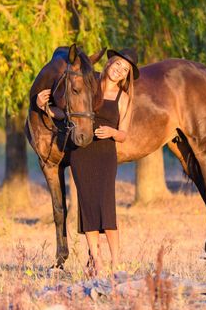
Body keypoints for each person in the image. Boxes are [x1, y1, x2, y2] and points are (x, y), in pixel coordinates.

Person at [36, 48, 139, 275]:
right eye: (117, 65)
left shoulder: (125, 98)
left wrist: (112, 131)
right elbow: (70, 110)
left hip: (105, 153)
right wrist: (45, 106)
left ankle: (116, 263)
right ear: (110, 62)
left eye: (124, 70)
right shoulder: (91, 83)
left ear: (126, 75)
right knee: (87, 209)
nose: (119, 70)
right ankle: (96, 260)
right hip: (82, 152)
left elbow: (124, 134)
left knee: (106, 207)